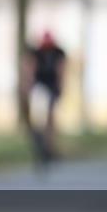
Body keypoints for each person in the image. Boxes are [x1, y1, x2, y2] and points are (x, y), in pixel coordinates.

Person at [22, 30, 67, 159]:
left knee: (51, 118)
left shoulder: (59, 53)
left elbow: (61, 70)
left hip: (52, 86)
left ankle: (49, 147)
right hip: (39, 86)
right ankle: (40, 143)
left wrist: (60, 88)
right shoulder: (35, 53)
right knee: (40, 116)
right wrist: (28, 87)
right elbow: (30, 69)